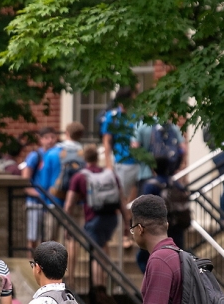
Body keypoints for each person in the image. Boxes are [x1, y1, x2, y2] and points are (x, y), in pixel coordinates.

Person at [64, 145, 127, 285]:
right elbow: (122, 200)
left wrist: (67, 224)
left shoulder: (79, 177)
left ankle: (99, 291)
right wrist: (127, 223)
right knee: (103, 248)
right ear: (98, 158)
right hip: (111, 218)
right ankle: (104, 287)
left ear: (84, 158)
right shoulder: (110, 175)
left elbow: (69, 204)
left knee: (97, 256)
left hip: (94, 218)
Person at [101, 88, 141, 244]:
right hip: (122, 162)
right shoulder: (113, 117)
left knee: (135, 200)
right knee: (123, 201)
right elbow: (107, 141)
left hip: (139, 162)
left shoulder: (138, 115)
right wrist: (109, 164)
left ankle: (132, 232)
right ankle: (125, 233)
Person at [23, 127, 58, 252]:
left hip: (50, 202)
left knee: (48, 240)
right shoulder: (35, 156)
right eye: (47, 138)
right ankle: (29, 266)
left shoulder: (57, 155)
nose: (50, 140)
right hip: (35, 202)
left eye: (53, 137)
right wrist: (38, 194)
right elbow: (25, 182)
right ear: (41, 140)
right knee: (33, 238)